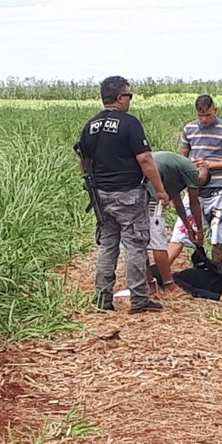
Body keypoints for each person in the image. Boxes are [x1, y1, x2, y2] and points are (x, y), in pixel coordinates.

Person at [76, 76, 170, 314]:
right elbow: (145, 159)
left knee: (108, 246)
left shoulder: (90, 125)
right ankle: (139, 299)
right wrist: (160, 189)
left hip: (102, 195)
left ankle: (103, 299)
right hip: (128, 193)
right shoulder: (129, 123)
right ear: (120, 97)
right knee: (135, 245)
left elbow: (85, 162)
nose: (130, 100)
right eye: (129, 96)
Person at [168, 94, 222, 265]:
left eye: (208, 115)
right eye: (200, 115)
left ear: (215, 110)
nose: (204, 119)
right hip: (194, 187)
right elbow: (182, 158)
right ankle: (162, 274)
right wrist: (190, 168)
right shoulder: (189, 129)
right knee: (182, 229)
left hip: (218, 188)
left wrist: (209, 165)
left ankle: (217, 271)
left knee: (218, 233)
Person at [145, 151, 209, 291]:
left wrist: (188, 228)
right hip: (150, 191)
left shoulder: (176, 168)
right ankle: (169, 285)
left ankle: (149, 282)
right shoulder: (192, 170)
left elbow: (178, 203)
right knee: (158, 240)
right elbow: (194, 203)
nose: (197, 186)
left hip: (135, 188)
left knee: (140, 240)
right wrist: (199, 230)